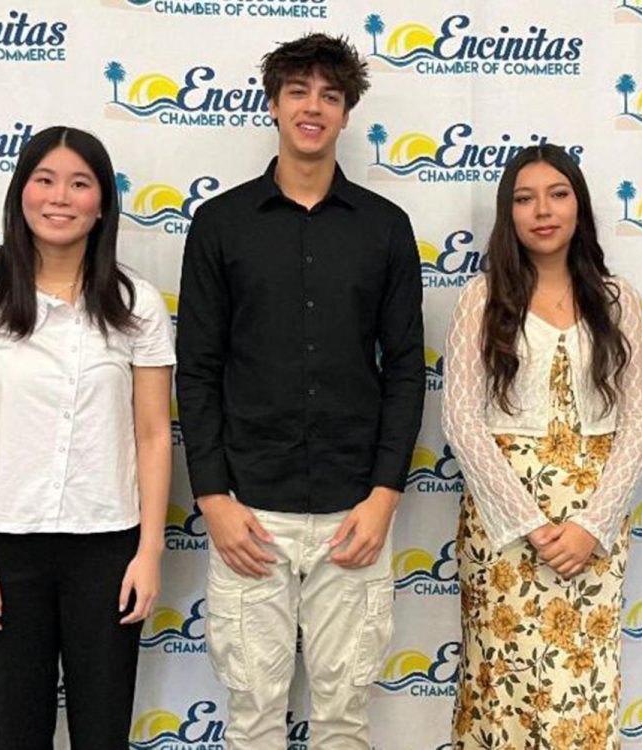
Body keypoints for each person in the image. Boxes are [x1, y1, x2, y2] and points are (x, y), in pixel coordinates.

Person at [175, 33, 424, 750]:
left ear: (346, 114)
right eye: (298, 92)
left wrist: (384, 497)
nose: (313, 107)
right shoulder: (221, 225)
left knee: (345, 718)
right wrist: (214, 498)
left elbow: (406, 367)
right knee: (253, 716)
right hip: (250, 512)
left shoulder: (385, 228)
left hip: (356, 513)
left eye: (330, 95)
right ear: (274, 105)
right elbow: (197, 369)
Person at [0, 126, 175, 749]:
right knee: (16, 734)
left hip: (108, 549)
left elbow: (152, 434)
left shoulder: (136, 304)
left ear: (100, 205)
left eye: (79, 183)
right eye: (44, 180)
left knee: (102, 734)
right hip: (6, 550)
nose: (59, 197)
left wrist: (148, 554)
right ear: (20, 195)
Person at [443, 144, 642, 749]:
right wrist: (530, 524)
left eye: (558, 194)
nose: (543, 210)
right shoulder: (481, 300)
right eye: (524, 197)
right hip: (503, 527)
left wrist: (593, 523)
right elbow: (460, 419)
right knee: (502, 686)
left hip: (596, 527)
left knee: (582, 695)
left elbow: (640, 423)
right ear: (507, 213)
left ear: (580, 206)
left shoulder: (619, 301)